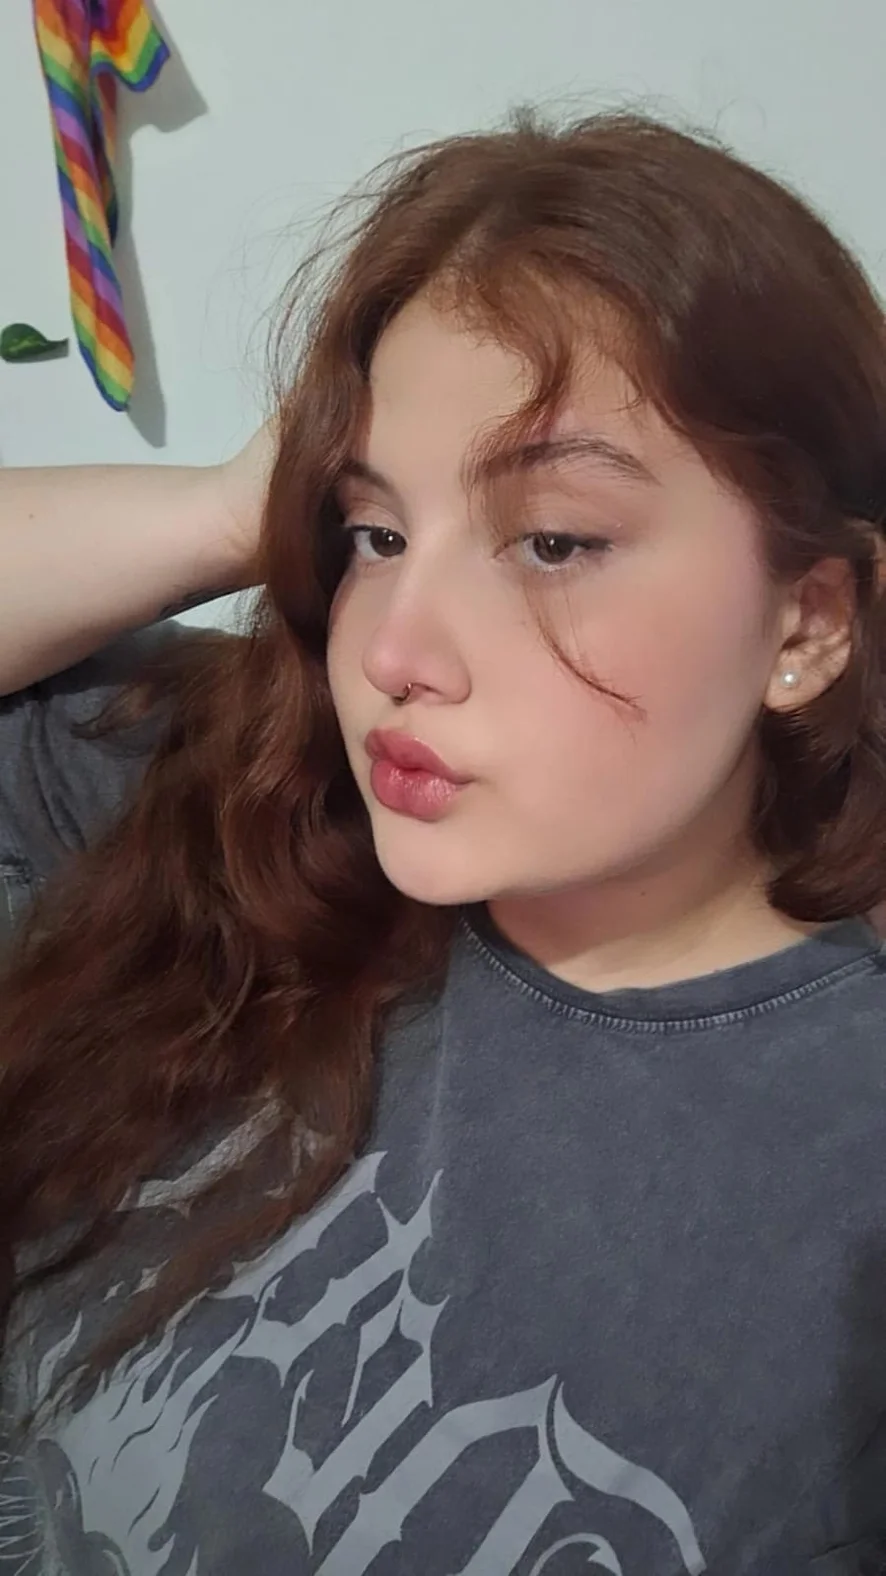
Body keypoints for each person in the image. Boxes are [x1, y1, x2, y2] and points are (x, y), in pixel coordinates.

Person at [1, 107, 886, 1576]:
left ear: (804, 622)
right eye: (376, 535)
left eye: (553, 541)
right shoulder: (245, 811)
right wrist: (242, 506)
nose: (395, 653)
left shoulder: (841, 1180)